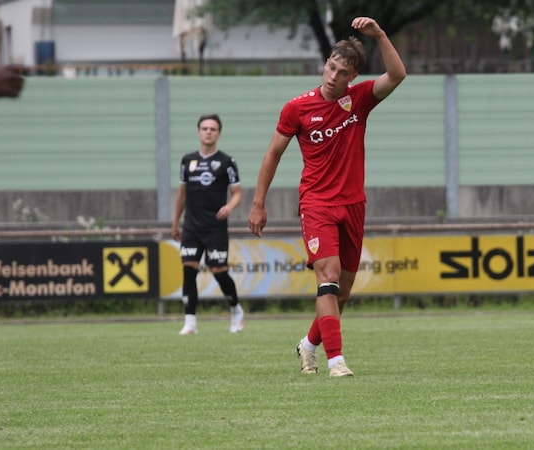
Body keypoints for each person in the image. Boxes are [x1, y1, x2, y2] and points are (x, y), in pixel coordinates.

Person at [248, 17, 406, 377]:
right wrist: (258, 202)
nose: (333, 75)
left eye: (342, 71)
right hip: (316, 204)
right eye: (331, 67)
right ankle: (336, 361)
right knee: (329, 275)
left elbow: (397, 75)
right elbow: (272, 154)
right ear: (326, 64)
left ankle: (308, 344)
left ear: (352, 76)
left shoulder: (360, 100)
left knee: (342, 292)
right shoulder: (297, 108)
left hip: (353, 205)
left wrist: (380, 34)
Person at [172, 114, 244, 335]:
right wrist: (175, 223)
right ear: (198, 132)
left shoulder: (226, 162)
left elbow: (237, 193)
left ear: (218, 134)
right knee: (188, 269)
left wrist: (229, 207)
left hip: (215, 227)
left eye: (212, 129)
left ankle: (236, 310)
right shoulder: (187, 161)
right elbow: (182, 194)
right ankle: (190, 321)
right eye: (204, 128)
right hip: (192, 226)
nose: (208, 132)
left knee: (219, 271)